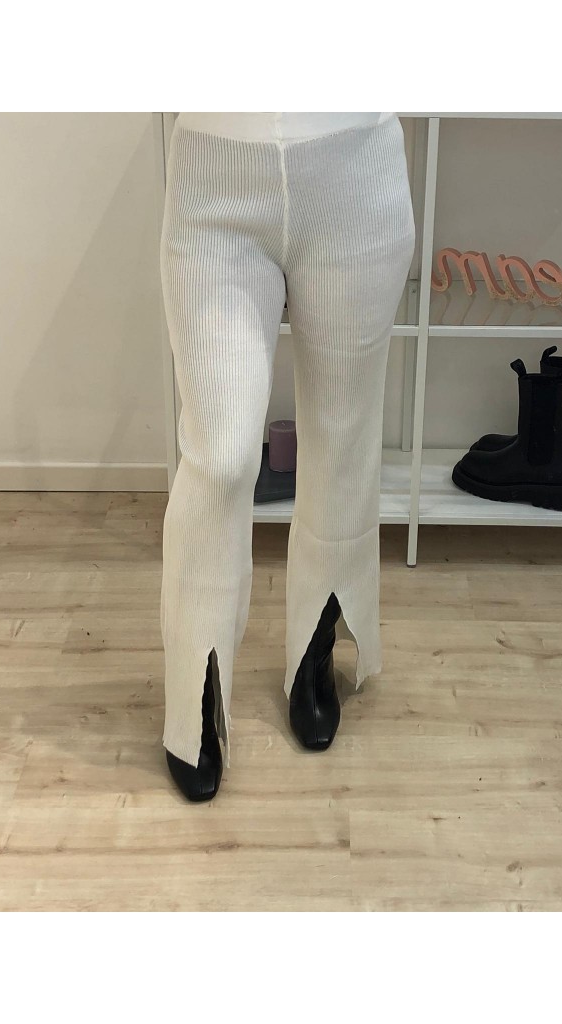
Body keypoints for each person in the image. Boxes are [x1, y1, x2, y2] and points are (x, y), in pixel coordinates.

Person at [158, 113, 416, 801]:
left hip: (355, 167)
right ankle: (197, 683)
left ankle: (316, 642)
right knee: (219, 458)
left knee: (342, 434)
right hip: (215, 172)